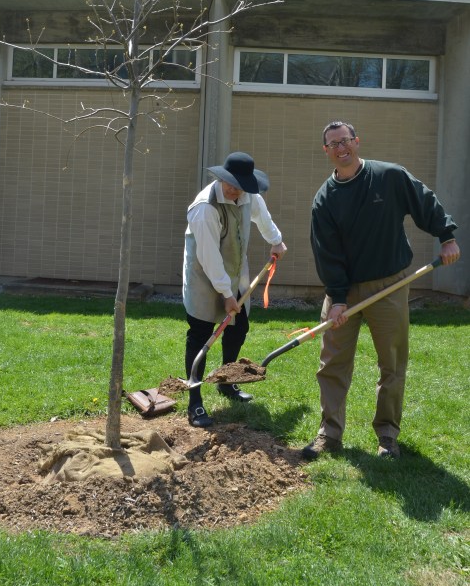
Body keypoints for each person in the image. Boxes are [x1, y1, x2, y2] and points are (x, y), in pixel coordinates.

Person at [303, 120, 461, 460]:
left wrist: (446, 236)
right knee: (332, 363)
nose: (341, 148)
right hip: (343, 292)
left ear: (357, 142)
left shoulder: (389, 177)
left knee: (391, 363)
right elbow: (327, 253)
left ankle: (387, 435)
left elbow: (425, 203)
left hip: (389, 285)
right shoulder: (324, 200)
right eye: (333, 144)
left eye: (345, 140)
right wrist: (338, 299)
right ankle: (329, 433)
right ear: (326, 151)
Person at [182, 151, 287, 428]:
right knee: (200, 335)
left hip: (235, 271)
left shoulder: (248, 195)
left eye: (241, 186)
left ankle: (227, 383)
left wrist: (276, 240)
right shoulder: (205, 208)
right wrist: (226, 295)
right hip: (205, 275)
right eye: (232, 184)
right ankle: (195, 402)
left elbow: (262, 217)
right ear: (221, 178)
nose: (236, 191)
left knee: (238, 328)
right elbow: (210, 257)